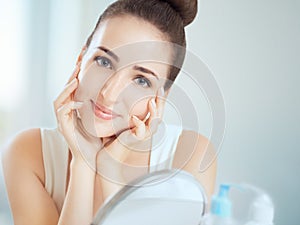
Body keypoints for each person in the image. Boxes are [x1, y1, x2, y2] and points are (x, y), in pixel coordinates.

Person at [2, 0, 217, 224]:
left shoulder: (189, 156)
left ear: (161, 97)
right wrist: (83, 165)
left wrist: (110, 171)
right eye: (104, 61)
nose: (109, 93)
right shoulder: (27, 152)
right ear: (80, 60)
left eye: (141, 80)